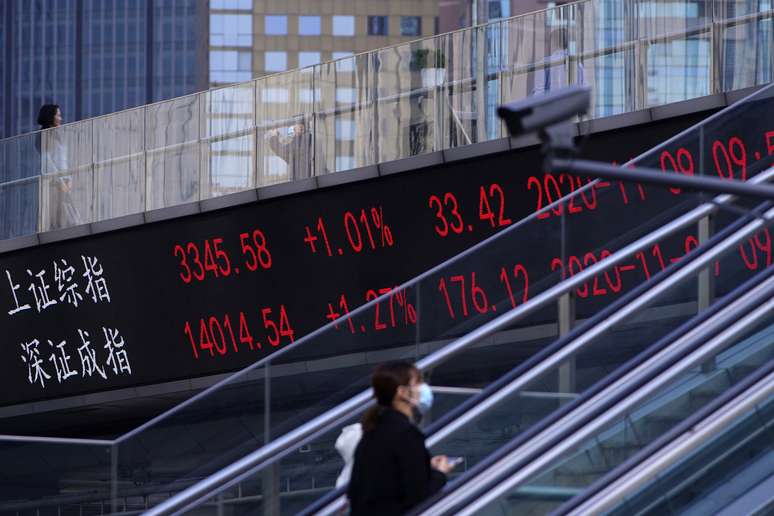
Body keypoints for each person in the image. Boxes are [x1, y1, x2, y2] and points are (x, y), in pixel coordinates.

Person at [347, 361, 454, 515]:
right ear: (402, 392)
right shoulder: (405, 433)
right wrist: (441, 473)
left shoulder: (373, 430)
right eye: (418, 382)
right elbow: (418, 494)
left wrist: (423, 465)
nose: (423, 388)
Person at [37, 104, 81, 229]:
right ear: (51, 117)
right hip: (54, 185)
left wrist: (69, 179)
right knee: (60, 221)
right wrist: (60, 181)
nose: (60, 118)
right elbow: (47, 162)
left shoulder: (56, 135)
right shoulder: (45, 135)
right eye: (58, 115)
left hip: (63, 184)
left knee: (69, 219)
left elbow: (64, 160)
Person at [532, 27, 585, 95]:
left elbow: (538, 93)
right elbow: (583, 89)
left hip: (553, 104)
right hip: (573, 104)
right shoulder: (577, 64)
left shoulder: (543, 63)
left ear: (552, 42)